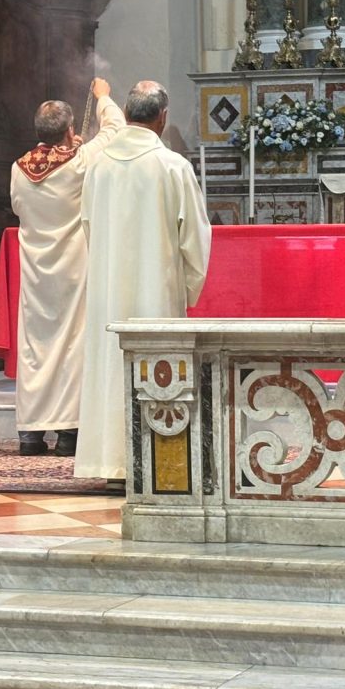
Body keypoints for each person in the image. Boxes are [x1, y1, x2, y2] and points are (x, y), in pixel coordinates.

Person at [74, 81, 212, 489]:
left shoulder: (98, 166)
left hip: (108, 292)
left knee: (110, 365)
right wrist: (187, 289)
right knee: (158, 367)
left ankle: (110, 463)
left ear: (127, 113)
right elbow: (195, 239)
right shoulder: (172, 167)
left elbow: (87, 227)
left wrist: (107, 269)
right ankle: (158, 462)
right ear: (163, 118)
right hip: (157, 291)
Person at [10, 77, 125, 456]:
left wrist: (69, 147)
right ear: (69, 129)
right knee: (73, 345)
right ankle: (67, 435)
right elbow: (115, 130)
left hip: (36, 271)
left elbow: (19, 208)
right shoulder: (80, 161)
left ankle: (30, 434)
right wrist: (103, 97)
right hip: (73, 269)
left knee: (35, 347)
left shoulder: (18, 168)